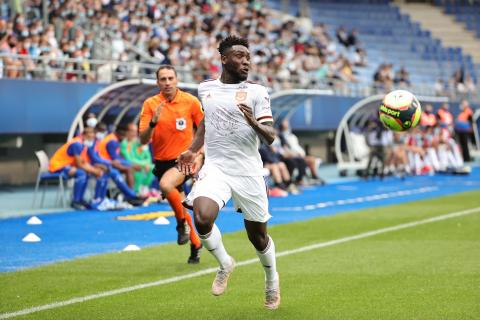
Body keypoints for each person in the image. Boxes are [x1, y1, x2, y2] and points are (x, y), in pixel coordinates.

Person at [177, 35, 280, 309]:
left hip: (248, 172)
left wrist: (253, 122)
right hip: (217, 168)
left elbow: (271, 136)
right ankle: (225, 264)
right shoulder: (205, 89)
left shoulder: (258, 92)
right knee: (201, 217)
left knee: (257, 237)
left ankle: (271, 280)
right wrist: (192, 149)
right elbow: (206, 124)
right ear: (224, 59)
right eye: (239, 56)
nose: (246, 61)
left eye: (248, 57)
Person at [138, 64, 203, 264]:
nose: (167, 82)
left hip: (184, 160)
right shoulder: (150, 104)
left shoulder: (190, 102)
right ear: (157, 82)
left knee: (166, 185)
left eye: (170, 78)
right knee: (181, 204)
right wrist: (152, 124)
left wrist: (200, 155)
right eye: (163, 79)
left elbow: (206, 129)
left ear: (177, 80)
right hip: (161, 162)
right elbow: (142, 140)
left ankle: (180, 225)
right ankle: (196, 244)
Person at [48, 126, 103, 209]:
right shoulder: (77, 144)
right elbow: (80, 165)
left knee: (86, 173)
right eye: (89, 137)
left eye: (92, 138)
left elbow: (83, 163)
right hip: (58, 166)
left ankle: (81, 199)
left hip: (67, 166)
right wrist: (94, 171)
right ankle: (75, 201)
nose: (91, 140)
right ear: (83, 135)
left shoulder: (83, 145)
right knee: (81, 173)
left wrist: (94, 170)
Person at [97, 124, 141, 189]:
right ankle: (131, 193)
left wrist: (129, 164)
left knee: (134, 167)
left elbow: (118, 158)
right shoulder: (112, 141)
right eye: (124, 135)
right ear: (121, 133)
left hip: (110, 162)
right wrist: (130, 164)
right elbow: (115, 158)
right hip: (105, 163)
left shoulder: (114, 138)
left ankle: (133, 191)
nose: (125, 137)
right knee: (129, 169)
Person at [120, 123, 156, 196]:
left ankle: (144, 188)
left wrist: (146, 164)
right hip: (127, 164)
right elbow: (129, 159)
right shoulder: (124, 143)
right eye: (132, 131)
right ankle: (135, 192)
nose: (134, 134)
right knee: (140, 169)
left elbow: (147, 157)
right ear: (127, 132)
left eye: (136, 131)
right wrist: (144, 164)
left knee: (153, 167)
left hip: (138, 164)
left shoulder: (136, 142)